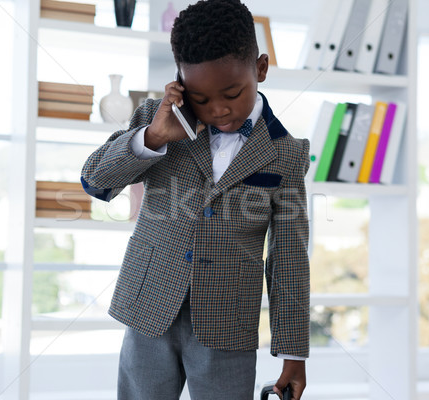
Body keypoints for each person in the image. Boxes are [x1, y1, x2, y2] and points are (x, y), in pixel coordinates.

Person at [81, 0, 310, 398]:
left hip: (227, 322)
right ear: (180, 83)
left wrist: (293, 353)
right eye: (201, 98)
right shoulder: (159, 119)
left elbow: (289, 258)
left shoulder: (286, 153)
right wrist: (152, 138)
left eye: (232, 93)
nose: (218, 110)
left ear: (260, 69)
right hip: (150, 305)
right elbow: (95, 183)